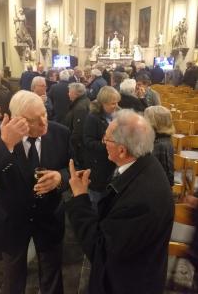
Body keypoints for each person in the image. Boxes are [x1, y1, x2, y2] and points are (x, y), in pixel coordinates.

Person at [0, 90, 71, 294]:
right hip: (12, 221)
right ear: (18, 120)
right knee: (14, 279)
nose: (45, 123)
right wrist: (5, 144)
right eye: (36, 120)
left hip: (49, 217)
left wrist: (61, 178)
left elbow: (74, 167)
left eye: (44, 114)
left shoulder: (61, 132)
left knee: (52, 276)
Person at [66, 109, 174, 294]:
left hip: (126, 283)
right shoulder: (144, 162)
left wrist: (80, 197)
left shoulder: (141, 199)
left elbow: (101, 250)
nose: (103, 142)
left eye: (106, 139)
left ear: (122, 150)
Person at [83, 86, 120, 209]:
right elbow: (87, 142)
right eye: (113, 103)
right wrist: (106, 144)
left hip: (113, 164)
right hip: (99, 166)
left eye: (117, 102)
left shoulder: (116, 115)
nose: (116, 106)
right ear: (103, 103)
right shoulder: (92, 118)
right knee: (96, 202)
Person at [144, 105, 175, 186]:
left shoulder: (161, 145)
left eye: (145, 119)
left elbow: (168, 178)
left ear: (154, 123)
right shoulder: (159, 139)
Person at [64, 82, 90, 168]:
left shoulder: (80, 108)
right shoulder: (83, 101)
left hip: (79, 149)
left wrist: (69, 145)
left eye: (70, 92)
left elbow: (78, 131)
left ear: (76, 94)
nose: (68, 94)